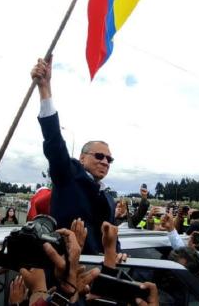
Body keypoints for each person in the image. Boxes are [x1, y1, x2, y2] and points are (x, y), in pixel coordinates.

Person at [32, 57, 117, 254]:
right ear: (82, 158)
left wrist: (117, 253)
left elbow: (111, 236)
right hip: (62, 269)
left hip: (97, 273)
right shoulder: (68, 174)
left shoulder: (109, 198)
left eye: (109, 159)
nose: (105, 161)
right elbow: (54, 142)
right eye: (99, 156)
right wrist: (45, 89)